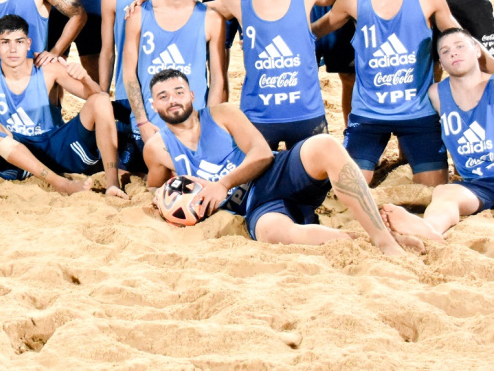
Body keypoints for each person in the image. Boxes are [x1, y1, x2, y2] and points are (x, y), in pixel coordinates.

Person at [143, 69, 412, 255]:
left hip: (274, 173)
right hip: (250, 206)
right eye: (163, 97)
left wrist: (221, 184)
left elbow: (261, 153)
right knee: (273, 233)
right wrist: (160, 199)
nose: (172, 100)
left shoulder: (222, 113)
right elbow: (154, 188)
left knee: (326, 145)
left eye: (178, 92)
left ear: (191, 95)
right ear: (153, 105)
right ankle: (362, 243)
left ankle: (385, 241)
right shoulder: (157, 148)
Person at [313, 0, 473, 186]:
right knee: (351, 188)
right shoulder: (352, 0)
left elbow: (459, 38)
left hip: (418, 114)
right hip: (368, 116)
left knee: (433, 189)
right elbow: (314, 31)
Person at [0, 14, 125, 197]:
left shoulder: (49, 69)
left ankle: (112, 184)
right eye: (5, 42)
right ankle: (60, 183)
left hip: (56, 145)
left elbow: (99, 98)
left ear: (28, 43)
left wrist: (85, 78)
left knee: (101, 100)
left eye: (19, 42)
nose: (12, 49)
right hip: (18, 156)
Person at [208, 0, 338, 149]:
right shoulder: (236, 0)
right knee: (251, 182)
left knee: (316, 183)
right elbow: (187, 10)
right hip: (258, 117)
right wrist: (151, 2)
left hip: (306, 114)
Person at [124, 0, 227, 187]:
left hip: (193, 132)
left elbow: (219, 80)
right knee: (126, 177)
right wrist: (142, 122)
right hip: (148, 128)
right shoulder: (139, 14)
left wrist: (207, 130)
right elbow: (129, 74)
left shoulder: (211, 19)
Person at [382, 28, 494, 242]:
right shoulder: (436, 94)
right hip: (478, 184)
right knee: (444, 193)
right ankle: (429, 230)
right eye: (445, 51)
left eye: (460, 46)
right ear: (441, 63)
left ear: (477, 51)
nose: (453, 53)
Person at [100, 0, 164, 177]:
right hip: (129, 92)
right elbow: (107, 50)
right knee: (128, 168)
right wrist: (103, 94)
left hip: (165, 90)